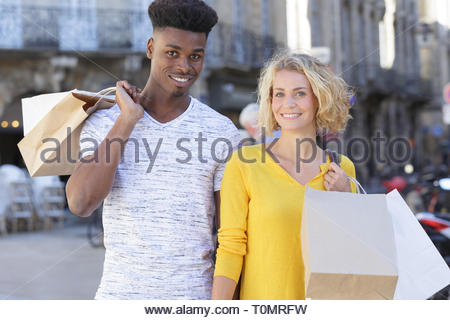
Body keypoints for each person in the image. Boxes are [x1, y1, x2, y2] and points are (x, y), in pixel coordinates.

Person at [66, 0, 240, 299]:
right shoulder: (105, 121)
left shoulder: (221, 131)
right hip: (119, 300)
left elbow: (230, 236)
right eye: (171, 53)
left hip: (193, 301)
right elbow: (81, 203)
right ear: (150, 48)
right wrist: (127, 120)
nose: (184, 67)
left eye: (195, 56)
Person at [211, 52, 357, 300]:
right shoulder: (244, 164)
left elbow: (357, 247)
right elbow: (230, 248)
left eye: (300, 93)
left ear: (319, 99)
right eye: (279, 94)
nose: (287, 103)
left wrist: (346, 199)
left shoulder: (342, 169)